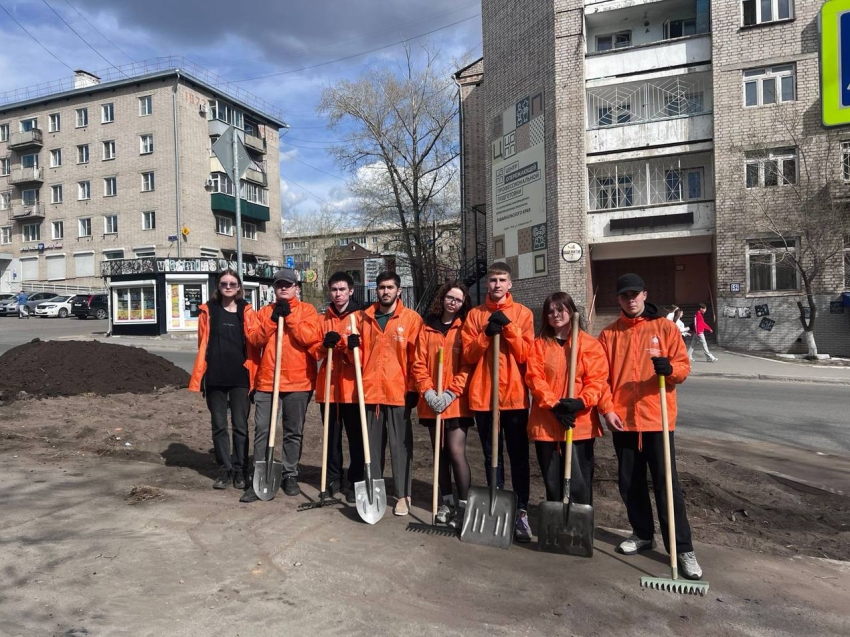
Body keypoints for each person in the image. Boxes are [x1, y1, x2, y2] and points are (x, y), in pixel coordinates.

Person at [598, 273, 703, 580]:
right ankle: (643, 533)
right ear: (618, 300)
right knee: (629, 483)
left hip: (657, 420)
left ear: (644, 294)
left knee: (667, 485)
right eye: (623, 295)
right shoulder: (609, 335)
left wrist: (670, 370)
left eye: (634, 293)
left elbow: (683, 368)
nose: (630, 299)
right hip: (624, 421)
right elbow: (600, 378)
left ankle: (682, 548)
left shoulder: (665, 328)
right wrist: (607, 409)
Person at [461, 262, 534, 542]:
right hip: (483, 397)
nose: (497, 285)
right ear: (487, 284)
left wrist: (510, 329)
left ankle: (521, 511)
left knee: (518, 458)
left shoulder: (523, 314)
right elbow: (467, 355)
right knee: (492, 456)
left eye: (502, 280)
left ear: (510, 284)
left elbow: (527, 354)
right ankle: (498, 505)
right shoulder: (475, 316)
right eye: (492, 280)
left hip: (514, 398)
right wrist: (486, 335)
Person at [242, 268, 320, 503]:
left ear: (297, 287)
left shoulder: (307, 311)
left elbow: (310, 338)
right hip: (268, 381)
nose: (284, 288)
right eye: (279, 285)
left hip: (298, 382)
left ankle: (289, 474)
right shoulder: (265, 312)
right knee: (263, 429)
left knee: (293, 432)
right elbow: (254, 339)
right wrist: (273, 322)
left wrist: (291, 319)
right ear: (274, 289)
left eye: (288, 284)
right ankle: (260, 473)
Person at [525, 292, 608, 506]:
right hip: (547, 424)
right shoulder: (539, 345)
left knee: (580, 484)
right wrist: (555, 406)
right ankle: (556, 527)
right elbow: (535, 378)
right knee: (552, 483)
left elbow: (597, 380)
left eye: (560, 309)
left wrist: (581, 402)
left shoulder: (589, 345)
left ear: (571, 312)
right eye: (550, 311)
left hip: (579, 424)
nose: (555, 314)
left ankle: (578, 529)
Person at [358, 271, 422, 516]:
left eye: (390, 287)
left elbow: (418, 358)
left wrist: (414, 388)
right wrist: (346, 344)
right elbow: (355, 352)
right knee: (371, 448)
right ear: (377, 290)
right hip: (371, 392)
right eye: (382, 287)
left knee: (400, 448)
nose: (386, 291)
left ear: (399, 291)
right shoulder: (364, 318)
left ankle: (403, 495)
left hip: (398, 393)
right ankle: (374, 490)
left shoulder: (411, 319)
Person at [189, 270, 259, 491]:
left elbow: (256, 340)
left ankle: (240, 470)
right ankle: (224, 470)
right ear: (217, 286)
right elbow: (202, 344)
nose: (228, 287)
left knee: (240, 427)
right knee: (219, 426)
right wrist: (203, 376)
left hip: (240, 377)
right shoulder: (208, 311)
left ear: (239, 287)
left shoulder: (246, 311)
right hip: (215, 377)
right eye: (223, 283)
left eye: (232, 283)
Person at [411, 281, 474, 528]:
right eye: (450, 297)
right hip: (432, 401)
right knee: (440, 453)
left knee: (456, 451)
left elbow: (468, 364)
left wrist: (451, 393)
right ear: (443, 297)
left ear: (463, 304)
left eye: (458, 300)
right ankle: (446, 501)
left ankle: (464, 504)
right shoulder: (427, 327)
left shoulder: (465, 327)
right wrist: (427, 392)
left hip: (455, 402)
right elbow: (418, 363)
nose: (453, 302)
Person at [312, 271, 364, 504]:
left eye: (342, 289)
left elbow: (366, 356)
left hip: (354, 389)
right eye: (334, 290)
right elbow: (313, 351)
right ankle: (333, 478)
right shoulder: (323, 320)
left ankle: (355, 480)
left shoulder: (361, 318)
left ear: (351, 291)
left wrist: (350, 346)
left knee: (356, 438)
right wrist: (324, 346)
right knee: (331, 437)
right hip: (329, 389)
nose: (338, 294)